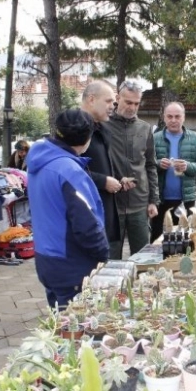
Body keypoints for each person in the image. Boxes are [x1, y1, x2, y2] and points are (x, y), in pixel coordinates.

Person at [27, 109, 108, 309]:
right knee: (75, 326)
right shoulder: (69, 171)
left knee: (60, 318)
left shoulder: (39, 161)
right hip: (71, 262)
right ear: (88, 138)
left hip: (46, 256)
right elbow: (86, 225)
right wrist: (103, 255)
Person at [106, 81, 159, 259]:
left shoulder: (145, 129)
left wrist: (153, 200)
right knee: (111, 260)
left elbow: (151, 165)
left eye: (136, 103)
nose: (133, 107)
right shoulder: (103, 126)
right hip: (113, 205)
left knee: (143, 259)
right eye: (128, 102)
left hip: (139, 203)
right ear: (118, 98)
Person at [150, 102, 196, 243]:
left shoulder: (195, 138)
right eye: (169, 116)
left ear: (183, 117)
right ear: (164, 118)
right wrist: (159, 164)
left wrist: (188, 166)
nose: (173, 120)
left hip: (186, 200)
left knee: (186, 241)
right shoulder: (154, 138)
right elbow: (146, 164)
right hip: (160, 200)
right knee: (158, 240)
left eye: (177, 116)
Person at [80, 81, 122, 258]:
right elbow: (68, 171)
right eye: (108, 101)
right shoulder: (76, 129)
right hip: (87, 219)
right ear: (91, 99)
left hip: (105, 215)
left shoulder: (101, 128)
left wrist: (118, 178)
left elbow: (101, 162)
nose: (113, 106)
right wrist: (103, 181)